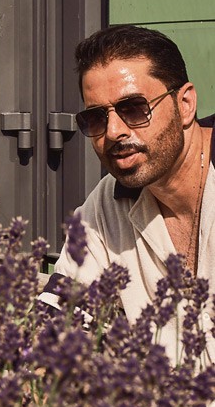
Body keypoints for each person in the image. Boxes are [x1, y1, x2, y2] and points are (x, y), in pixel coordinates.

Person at [47, 24, 215, 360]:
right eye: (96, 117)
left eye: (134, 108)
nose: (113, 132)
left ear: (185, 104)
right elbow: (56, 332)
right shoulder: (107, 204)